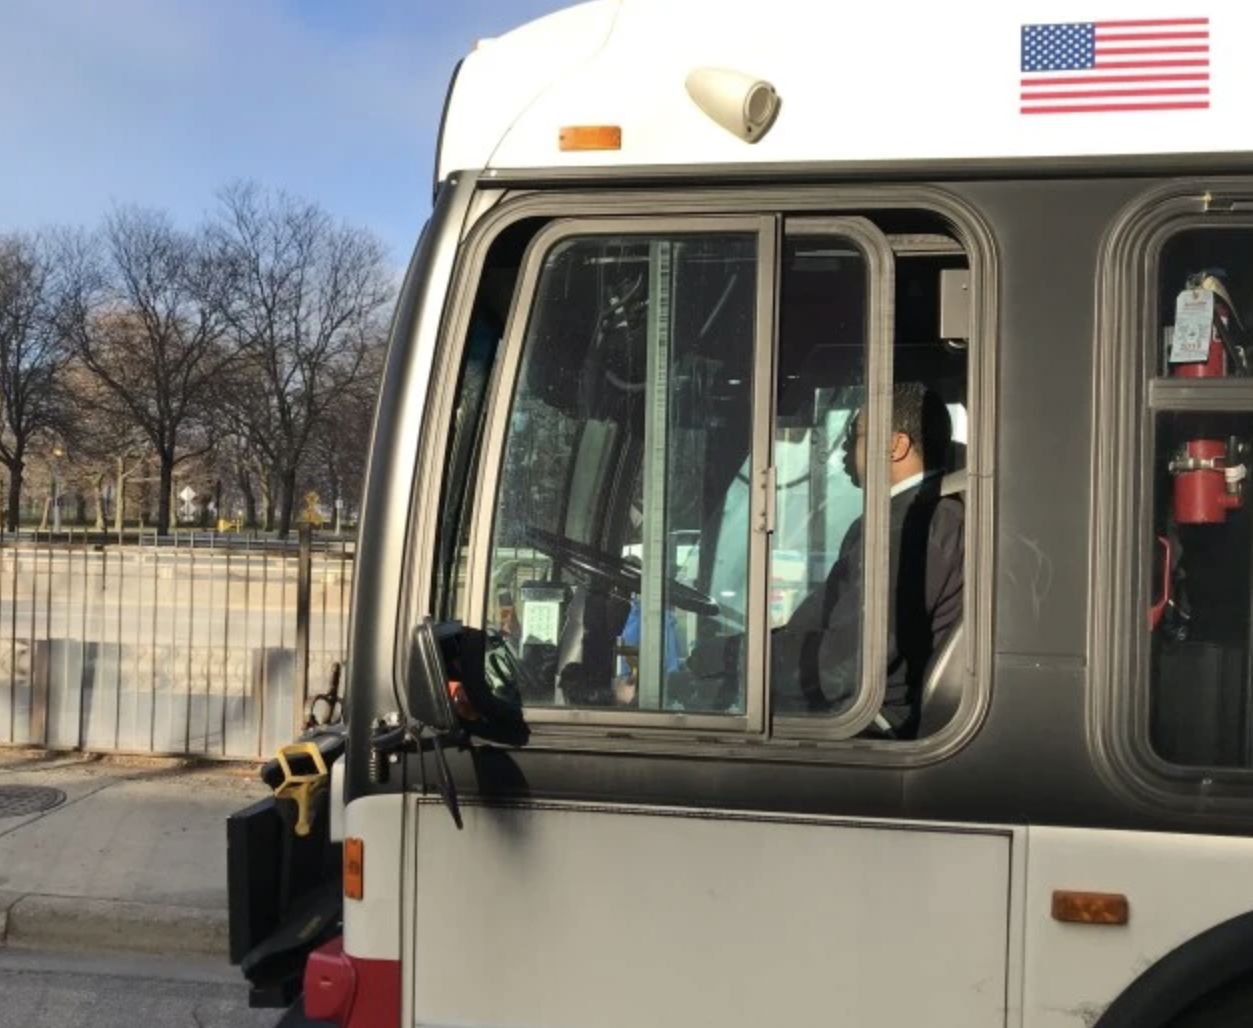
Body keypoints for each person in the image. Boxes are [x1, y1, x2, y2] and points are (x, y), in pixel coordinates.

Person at [687, 381, 964, 737]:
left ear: (896, 445)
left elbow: (844, 665)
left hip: (871, 724)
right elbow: (821, 627)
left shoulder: (915, 528)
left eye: (856, 434)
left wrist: (730, 659)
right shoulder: (905, 519)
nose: (845, 449)